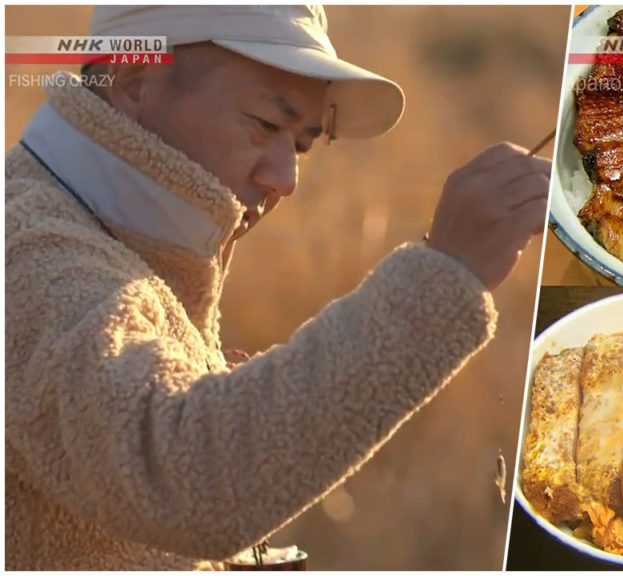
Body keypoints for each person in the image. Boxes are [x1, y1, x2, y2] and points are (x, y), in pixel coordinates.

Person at [5, 5, 550, 570]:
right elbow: (191, 480)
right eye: (265, 125)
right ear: (134, 83)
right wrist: (445, 274)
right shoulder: (26, 252)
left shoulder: (125, 244)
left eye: (302, 145)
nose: (286, 178)